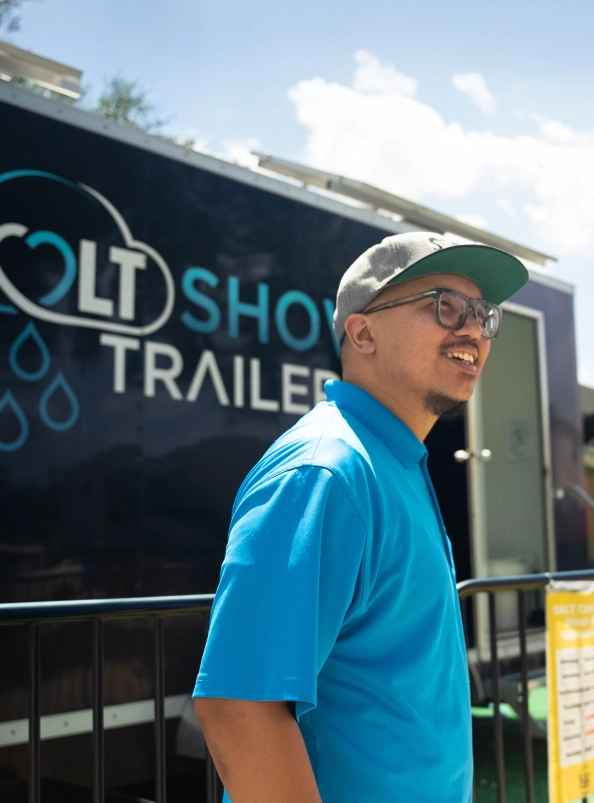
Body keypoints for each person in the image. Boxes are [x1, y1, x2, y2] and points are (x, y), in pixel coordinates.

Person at [192, 232, 529, 803]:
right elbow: (239, 707)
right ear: (363, 331)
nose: (472, 329)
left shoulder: (391, 461)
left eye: (482, 314)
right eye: (445, 305)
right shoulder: (324, 473)